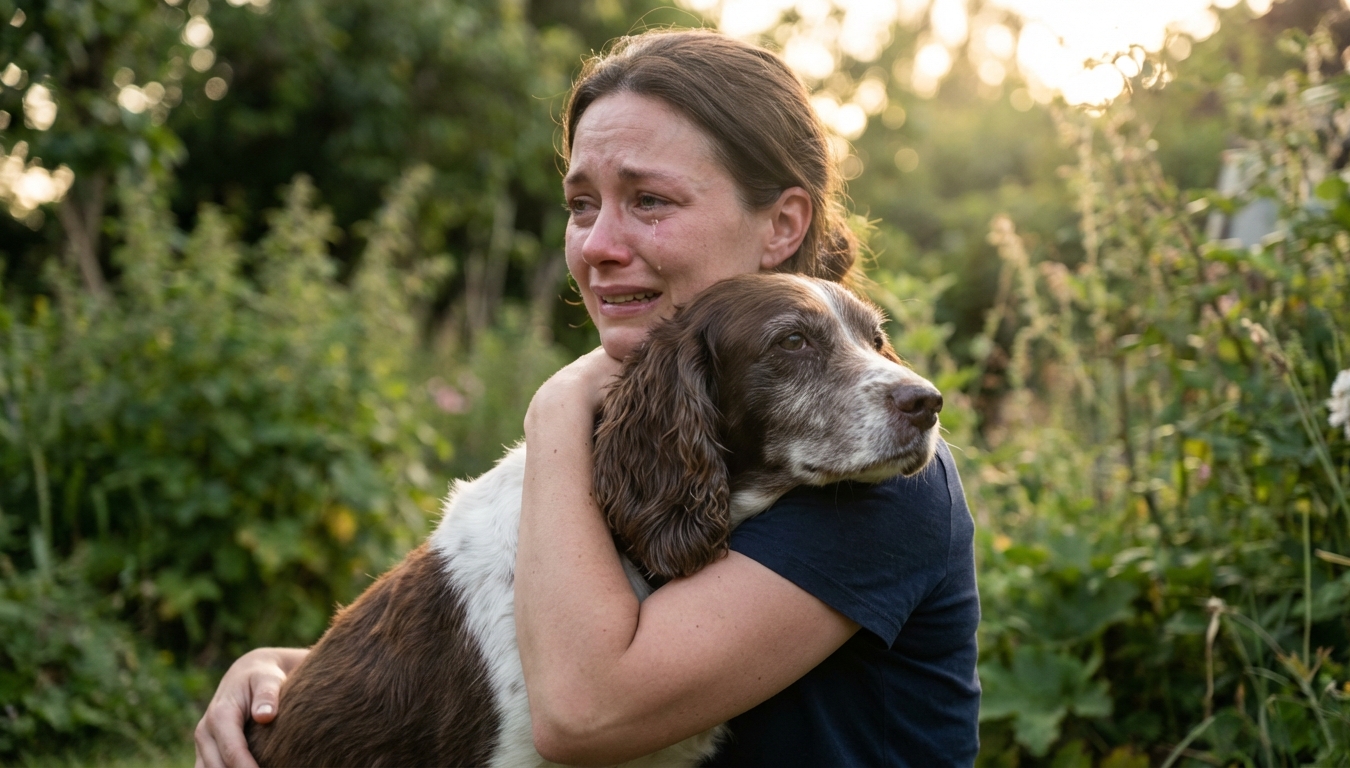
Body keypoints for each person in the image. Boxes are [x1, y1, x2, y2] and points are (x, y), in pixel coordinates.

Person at [194, 29, 980, 768]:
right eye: (581, 206)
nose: (598, 246)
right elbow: (477, 660)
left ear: (782, 225)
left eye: (650, 200)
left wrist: (558, 404)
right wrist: (289, 676)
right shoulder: (665, 422)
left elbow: (580, 710)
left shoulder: (875, 479)